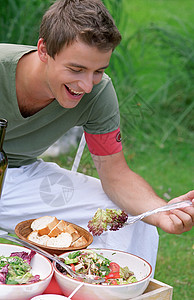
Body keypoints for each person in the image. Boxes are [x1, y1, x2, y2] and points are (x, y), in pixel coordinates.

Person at [0, 0, 193, 274]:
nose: (86, 85)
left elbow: (115, 174)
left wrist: (159, 211)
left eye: (99, 71)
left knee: (130, 219)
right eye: (76, 69)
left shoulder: (98, 93)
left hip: (18, 176)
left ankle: (115, 291)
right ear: (44, 50)